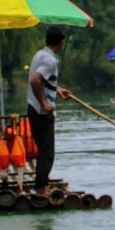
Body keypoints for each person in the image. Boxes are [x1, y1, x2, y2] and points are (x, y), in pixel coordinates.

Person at [26, 26, 69, 190]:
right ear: (60, 43)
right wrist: (44, 103)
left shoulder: (39, 54)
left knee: (43, 150)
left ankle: (42, 183)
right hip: (42, 112)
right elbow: (35, 80)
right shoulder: (50, 61)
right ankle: (41, 188)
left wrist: (57, 89)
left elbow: (42, 81)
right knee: (47, 152)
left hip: (32, 108)